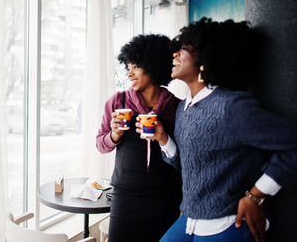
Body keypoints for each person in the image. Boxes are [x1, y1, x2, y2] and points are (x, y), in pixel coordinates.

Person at [136, 18, 297, 242]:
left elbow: (292, 143)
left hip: (228, 221)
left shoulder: (231, 106)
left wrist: (256, 195)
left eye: (184, 48)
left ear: (205, 57)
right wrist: (163, 138)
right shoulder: (184, 107)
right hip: (191, 218)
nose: (174, 54)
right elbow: (187, 165)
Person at [96, 34, 182, 242]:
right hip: (126, 196)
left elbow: (184, 157)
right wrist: (114, 135)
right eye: (128, 68)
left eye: (136, 67)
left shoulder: (177, 107)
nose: (130, 74)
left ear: (153, 66)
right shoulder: (117, 101)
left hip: (165, 196)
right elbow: (100, 144)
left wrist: (163, 138)